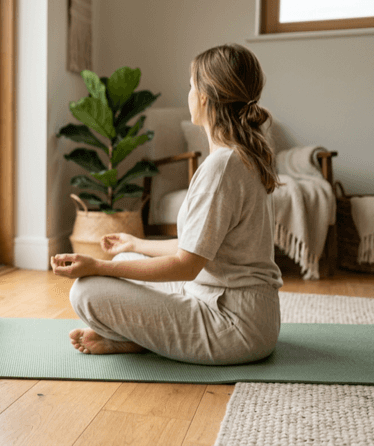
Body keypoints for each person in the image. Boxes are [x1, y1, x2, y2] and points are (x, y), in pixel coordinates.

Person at [50, 43, 283, 365]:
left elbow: (186, 266)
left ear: (204, 96)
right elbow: (200, 248)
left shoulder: (223, 166)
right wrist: (138, 243)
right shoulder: (237, 156)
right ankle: (142, 339)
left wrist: (98, 266)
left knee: (87, 290)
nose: (188, 93)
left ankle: (139, 339)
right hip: (240, 312)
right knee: (129, 256)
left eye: (191, 85)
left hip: (232, 326)